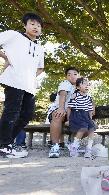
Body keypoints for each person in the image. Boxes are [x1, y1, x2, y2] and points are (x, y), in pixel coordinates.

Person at [0, 13, 44, 158]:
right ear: (25, 25)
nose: (36, 27)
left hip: (29, 85)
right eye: (32, 24)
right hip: (13, 81)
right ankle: (4, 145)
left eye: (38, 25)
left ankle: (5, 143)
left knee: (26, 115)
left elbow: (40, 68)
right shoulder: (14, 36)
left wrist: (29, 76)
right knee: (11, 112)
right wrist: (5, 56)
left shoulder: (39, 48)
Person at [48, 67, 79, 158]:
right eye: (68, 75)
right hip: (59, 110)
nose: (72, 76)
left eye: (75, 74)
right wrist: (61, 108)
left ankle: (74, 145)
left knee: (90, 124)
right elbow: (63, 95)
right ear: (66, 77)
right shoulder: (65, 84)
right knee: (58, 115)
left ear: (79, 75)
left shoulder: (81, 86)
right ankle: (55, 146)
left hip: (72, 113)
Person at [67, 77, 95, 158]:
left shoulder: (89, 97)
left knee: (91, 129)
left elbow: (90, 110)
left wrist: (90, 119)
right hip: (77, 114)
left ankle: (89, 149)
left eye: (87, 84)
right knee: (83, 128)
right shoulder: (75, 96)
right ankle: (74, 147)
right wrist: (68, 119)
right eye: (84, 83)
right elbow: (69, 108)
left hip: (86, 116)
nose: (86, 85)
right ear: (78, 87)